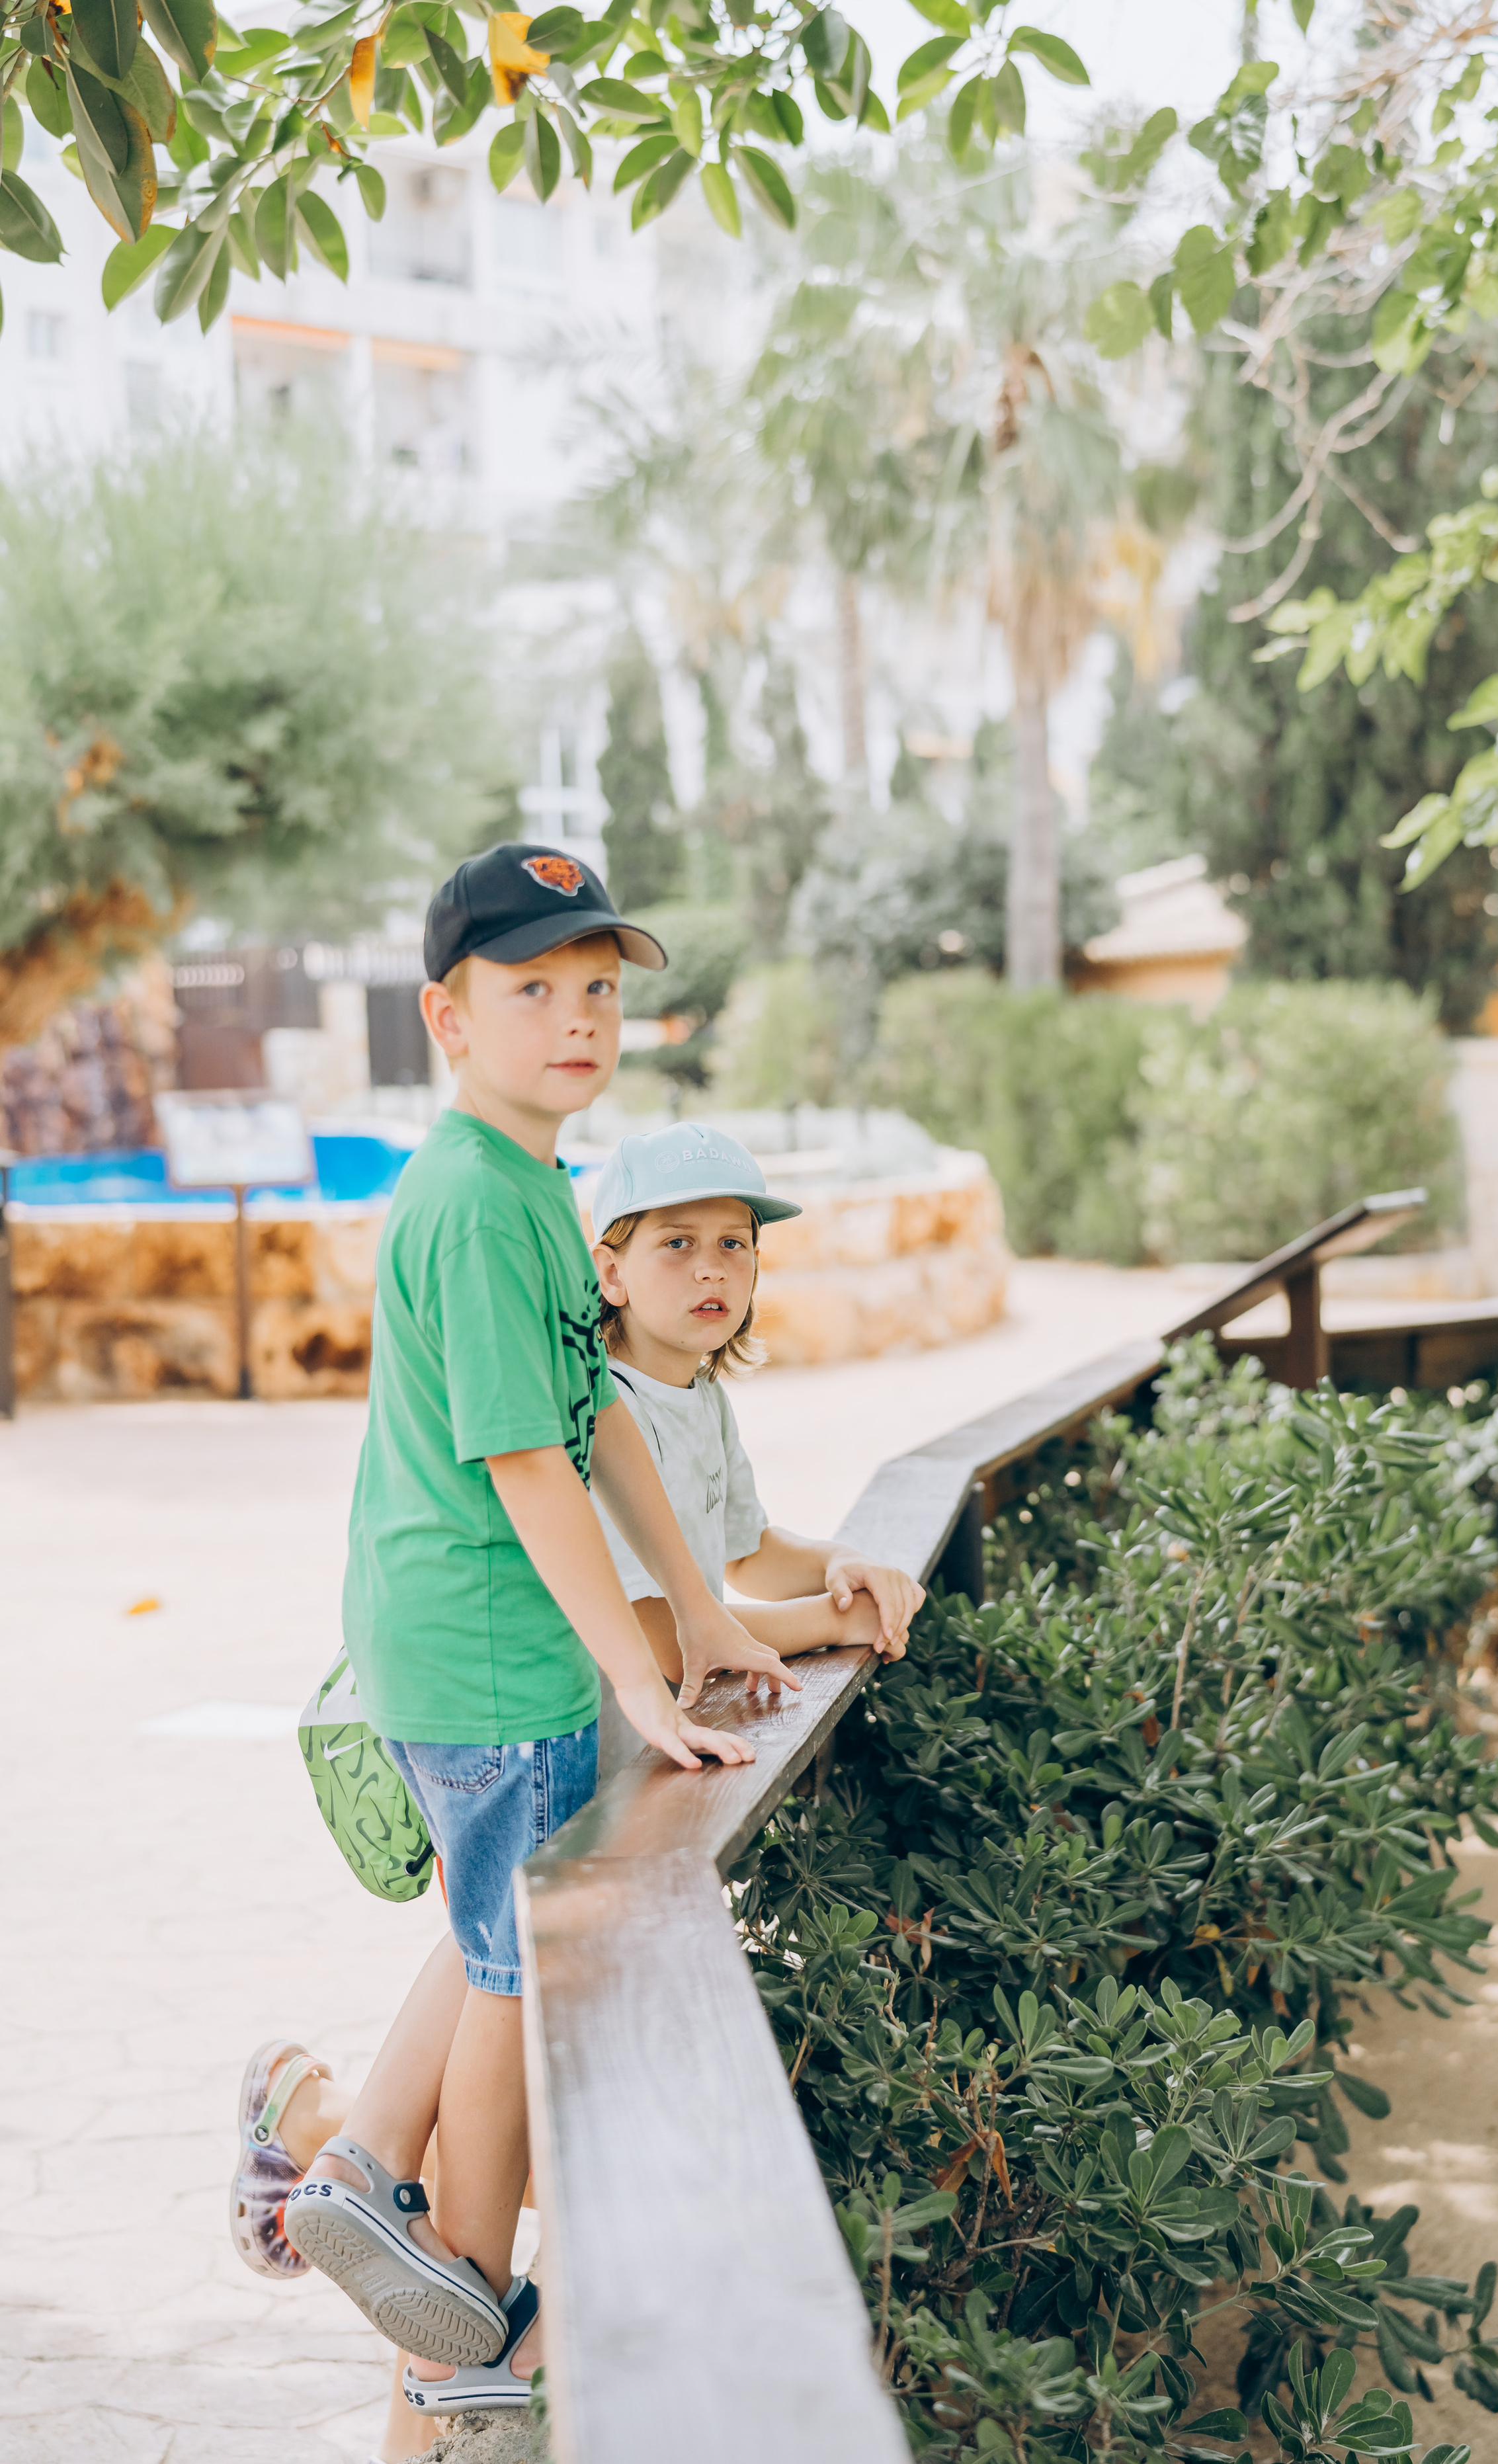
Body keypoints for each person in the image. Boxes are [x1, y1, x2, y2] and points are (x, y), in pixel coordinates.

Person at [272, 846, 796, 2459]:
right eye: (531, 989)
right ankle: (447, 2309)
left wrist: (704, 1611)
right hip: (495, 1656)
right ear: (446, 1013)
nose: (574, 1018)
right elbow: (526, 1463)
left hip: (473, 1646)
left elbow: (595, 1428)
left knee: (502, 1951)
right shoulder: (479, 1205)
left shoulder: (525, 1186)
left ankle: (381, 2200)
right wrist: (639, 1678)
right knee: (516, 1979)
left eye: (597, 989)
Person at [587, 1120, 926, 1674]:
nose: (710, 1269)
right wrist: (837, 1620)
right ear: (612, 1272)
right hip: (601, 1748)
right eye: (677, 1243)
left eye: (732, 1243)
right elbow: (665, 1639)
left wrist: (843, 1563)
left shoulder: (702, 1395)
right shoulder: (606, 1409)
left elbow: (747, 1554)